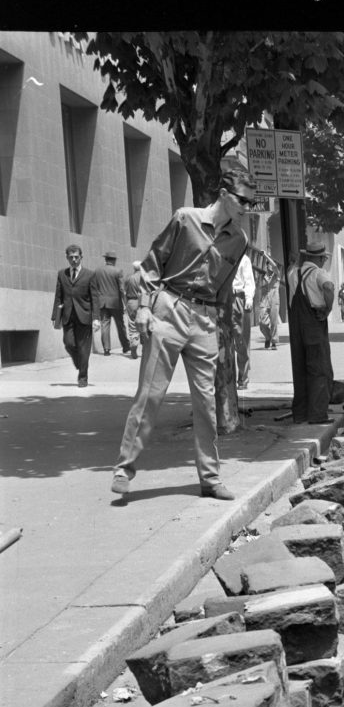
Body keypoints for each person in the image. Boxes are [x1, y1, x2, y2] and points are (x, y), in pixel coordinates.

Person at [110, 166, 256, 500]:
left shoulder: (239, 240)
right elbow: (152, 264)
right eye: (243, 200)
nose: (247, 208)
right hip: (170, 309)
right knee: (151, 394)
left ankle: (210, 478)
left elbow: (226, 286)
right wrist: (145, 306)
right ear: (223, 194)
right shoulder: (185, 219)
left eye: (251, 202)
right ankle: (123, 469)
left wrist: (222, 330)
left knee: (206, 402)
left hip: (204, 320)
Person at [287, 244, 335, 424]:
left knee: (300, 368)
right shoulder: (318, 274)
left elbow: (291, 267)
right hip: (314, 322)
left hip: (296, 324)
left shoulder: (292, 274)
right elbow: (329, 288)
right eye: (324, 259)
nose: (324, 261)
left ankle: (300, 414)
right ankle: (317, 414)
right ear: (320, 258)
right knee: (319, 368)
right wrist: (328, 309)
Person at [52, 244, 95, 387]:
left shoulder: (90, 274)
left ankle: (83, 377)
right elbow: (58, 296)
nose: (74, 260)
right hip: (68, 315)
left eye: (76, 257)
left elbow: (95, 297)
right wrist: (55, 317)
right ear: (67, 258)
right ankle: (80, 362)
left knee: (84, 348)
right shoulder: (61, 274)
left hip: (85, 316)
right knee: (68, 343)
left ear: (81, 257)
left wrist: (96, 318)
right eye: (71, 257)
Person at [91, 251, 133, 358]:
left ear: (106, 259)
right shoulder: (118, 271)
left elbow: (94, 288)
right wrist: (125, 303)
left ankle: (106, 349)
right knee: (120, 325)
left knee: (105, 325)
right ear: (114, 260)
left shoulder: (97, 271)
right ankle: (125, 346)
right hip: (115, 303)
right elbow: (122, 289)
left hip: (102, 303)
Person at [231, 252, 255, 389]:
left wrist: (249, 298)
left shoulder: (244, 259)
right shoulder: (220, 255)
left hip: (238, 298)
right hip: (223, 299)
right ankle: (228, 379)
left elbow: (249, 281)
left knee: (241, 340)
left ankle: (243, 377)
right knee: (223, 340)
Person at [257, 253, 281, 350]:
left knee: (274, 322)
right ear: (266, 266)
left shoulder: (277, 274)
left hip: (274, 299)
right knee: (262, 323)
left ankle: (274, 342)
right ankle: (268, 337)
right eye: (268, 264)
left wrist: (265, 255)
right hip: (264, 300)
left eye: (271, 264)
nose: (270, 266)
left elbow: (275, 266)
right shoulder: (263, 276)